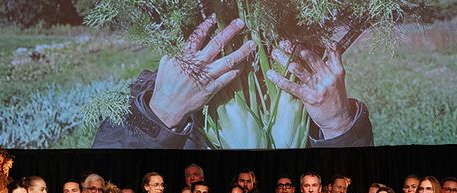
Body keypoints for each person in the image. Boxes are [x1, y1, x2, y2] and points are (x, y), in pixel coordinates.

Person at [92, 16, 373, 149]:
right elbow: (102, 186)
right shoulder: (160, 88)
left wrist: (337, 124)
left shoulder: (309, 77)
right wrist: (162, 112)